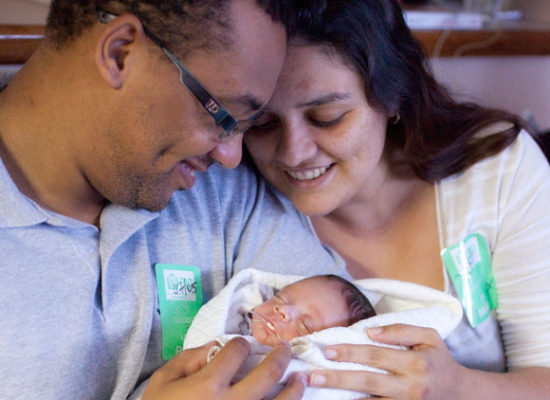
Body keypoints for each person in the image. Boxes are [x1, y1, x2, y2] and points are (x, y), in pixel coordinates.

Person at [0, 1, 350, 399]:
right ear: (120, 53)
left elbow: (359, 355)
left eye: (249, 126)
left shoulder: (223, 196)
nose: (231, 157)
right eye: (223, 118)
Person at [243, 0, 550, 398]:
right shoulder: (235, 199)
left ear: (390, 96)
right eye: (262, 123)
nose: (293, 153)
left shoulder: (495, 171)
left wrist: (459, 387)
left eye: (328, 117)